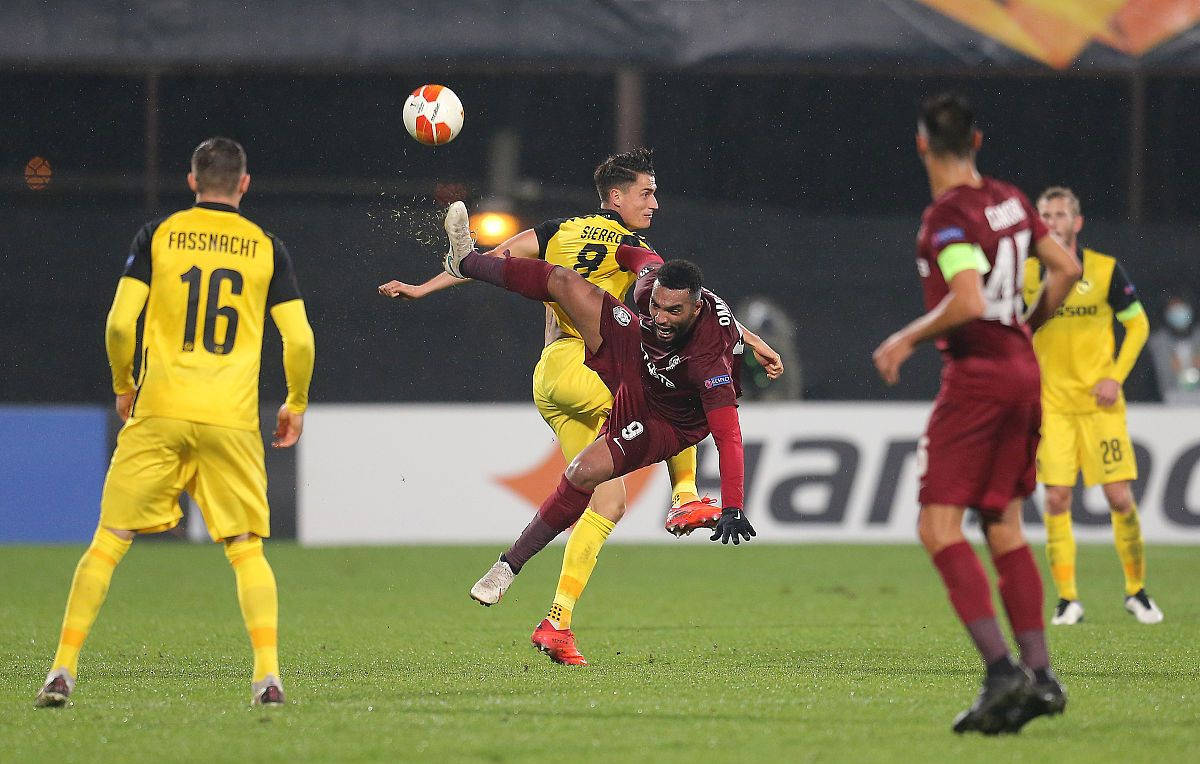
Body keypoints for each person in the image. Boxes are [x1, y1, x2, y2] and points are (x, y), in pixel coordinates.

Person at [379, 149, 781, 665]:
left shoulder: (556, 231)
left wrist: (424, 288)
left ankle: (556, 621)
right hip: (587, 366)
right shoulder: (636, 249)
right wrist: (752, 341)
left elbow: (496, 261)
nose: (654, 203)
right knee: (670, 394)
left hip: (551, 379)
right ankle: (685, 496)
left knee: (604, 500)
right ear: (617, 197)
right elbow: (701, 312)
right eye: (646, 193)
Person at [34, 137, 315, 708]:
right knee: (246, 549)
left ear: (192, 181)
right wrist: (296, 402)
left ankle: (62, 670)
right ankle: (268, 677)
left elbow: (120, 324)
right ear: (244, 184)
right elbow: (301, 339)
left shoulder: (158, 235)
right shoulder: (267, 248)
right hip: (230, 419)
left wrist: (123, 385)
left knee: (109, 542)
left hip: (159, 409)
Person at [872, 94, 1081, 734]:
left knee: (938, 528)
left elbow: (966, 299)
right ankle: (1041, 676)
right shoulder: (1011, 199)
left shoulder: (948, 217)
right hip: (1022, 372)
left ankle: (1001, 672)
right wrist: (1028, 325)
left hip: (978, 378)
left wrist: (905, 338)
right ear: (978, 141)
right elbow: (1066, 267)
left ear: (921, 145)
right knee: (1003, 525)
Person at [434, 200, 756, 613]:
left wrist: (733, 505)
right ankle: (466, 262)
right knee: (564, 282)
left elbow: (729, 436)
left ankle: (510, 563)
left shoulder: (709, 360)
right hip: (638, 358)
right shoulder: (652, 291)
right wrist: (621, 250)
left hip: (665, 419)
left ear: (696, 309)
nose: (660, 316)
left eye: (673, 311)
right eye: (656, 306)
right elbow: (638, 259)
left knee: (583, 472)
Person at [1025, 186, 1162, 626]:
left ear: (1077, 222)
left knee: (1119, 497)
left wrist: (1114, 377)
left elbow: (1138, 326)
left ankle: (1136, 591)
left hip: (1100, 406)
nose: (1053, 222)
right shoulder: (1027, 273)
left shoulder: (1103, 270)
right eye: (1046, 215)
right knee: (1056, 499)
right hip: (1051, 407)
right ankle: (1067, 599)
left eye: (1061, 214)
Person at [1148, 295, 1200, 405]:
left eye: (1181, 307)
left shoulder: (1197, 336)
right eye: (1173, 309)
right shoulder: (1158, 342)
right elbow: (1162, 374)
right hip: (1171, 397)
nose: (1178, 312)